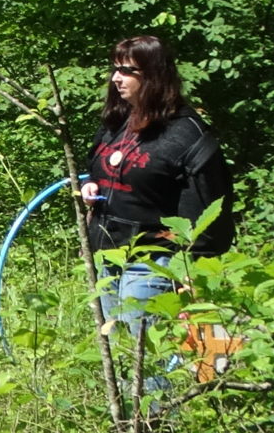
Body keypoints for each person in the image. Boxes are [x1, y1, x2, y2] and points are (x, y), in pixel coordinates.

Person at [74, 36, 236, 365]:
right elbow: (104, 169)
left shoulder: (185, 134)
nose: (115, 78)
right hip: (108, 256)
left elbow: (209, 207)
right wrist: (92, 185)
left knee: (147, 361)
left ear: (153, 76)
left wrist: (192, 272)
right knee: (119, 353)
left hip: (152, 262)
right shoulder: (118, 122)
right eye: (115, 69)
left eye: (127, 71)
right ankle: (129, 418)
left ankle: (157, 418)